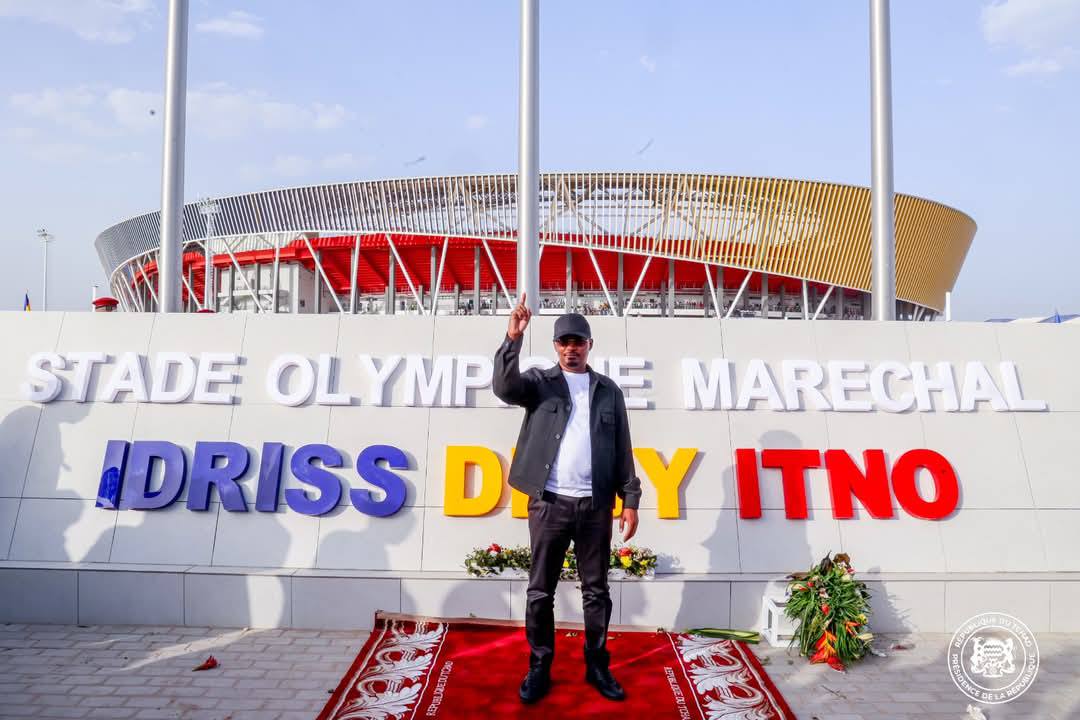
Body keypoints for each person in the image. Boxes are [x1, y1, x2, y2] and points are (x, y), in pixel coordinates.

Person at [492, 293, 641, 704]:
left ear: (590, 345)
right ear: (555, 346)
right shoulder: (540, 383)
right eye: (563, 342)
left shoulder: (608, 391)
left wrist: (630, 499)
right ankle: (540, 665)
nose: (571, 348)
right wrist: (513, 339)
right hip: (550, 504)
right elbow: (505, 387)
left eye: (578, 341)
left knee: (597, 591)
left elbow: (623, 447)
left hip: (594, 507)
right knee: (541, 590)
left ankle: (597, 664)